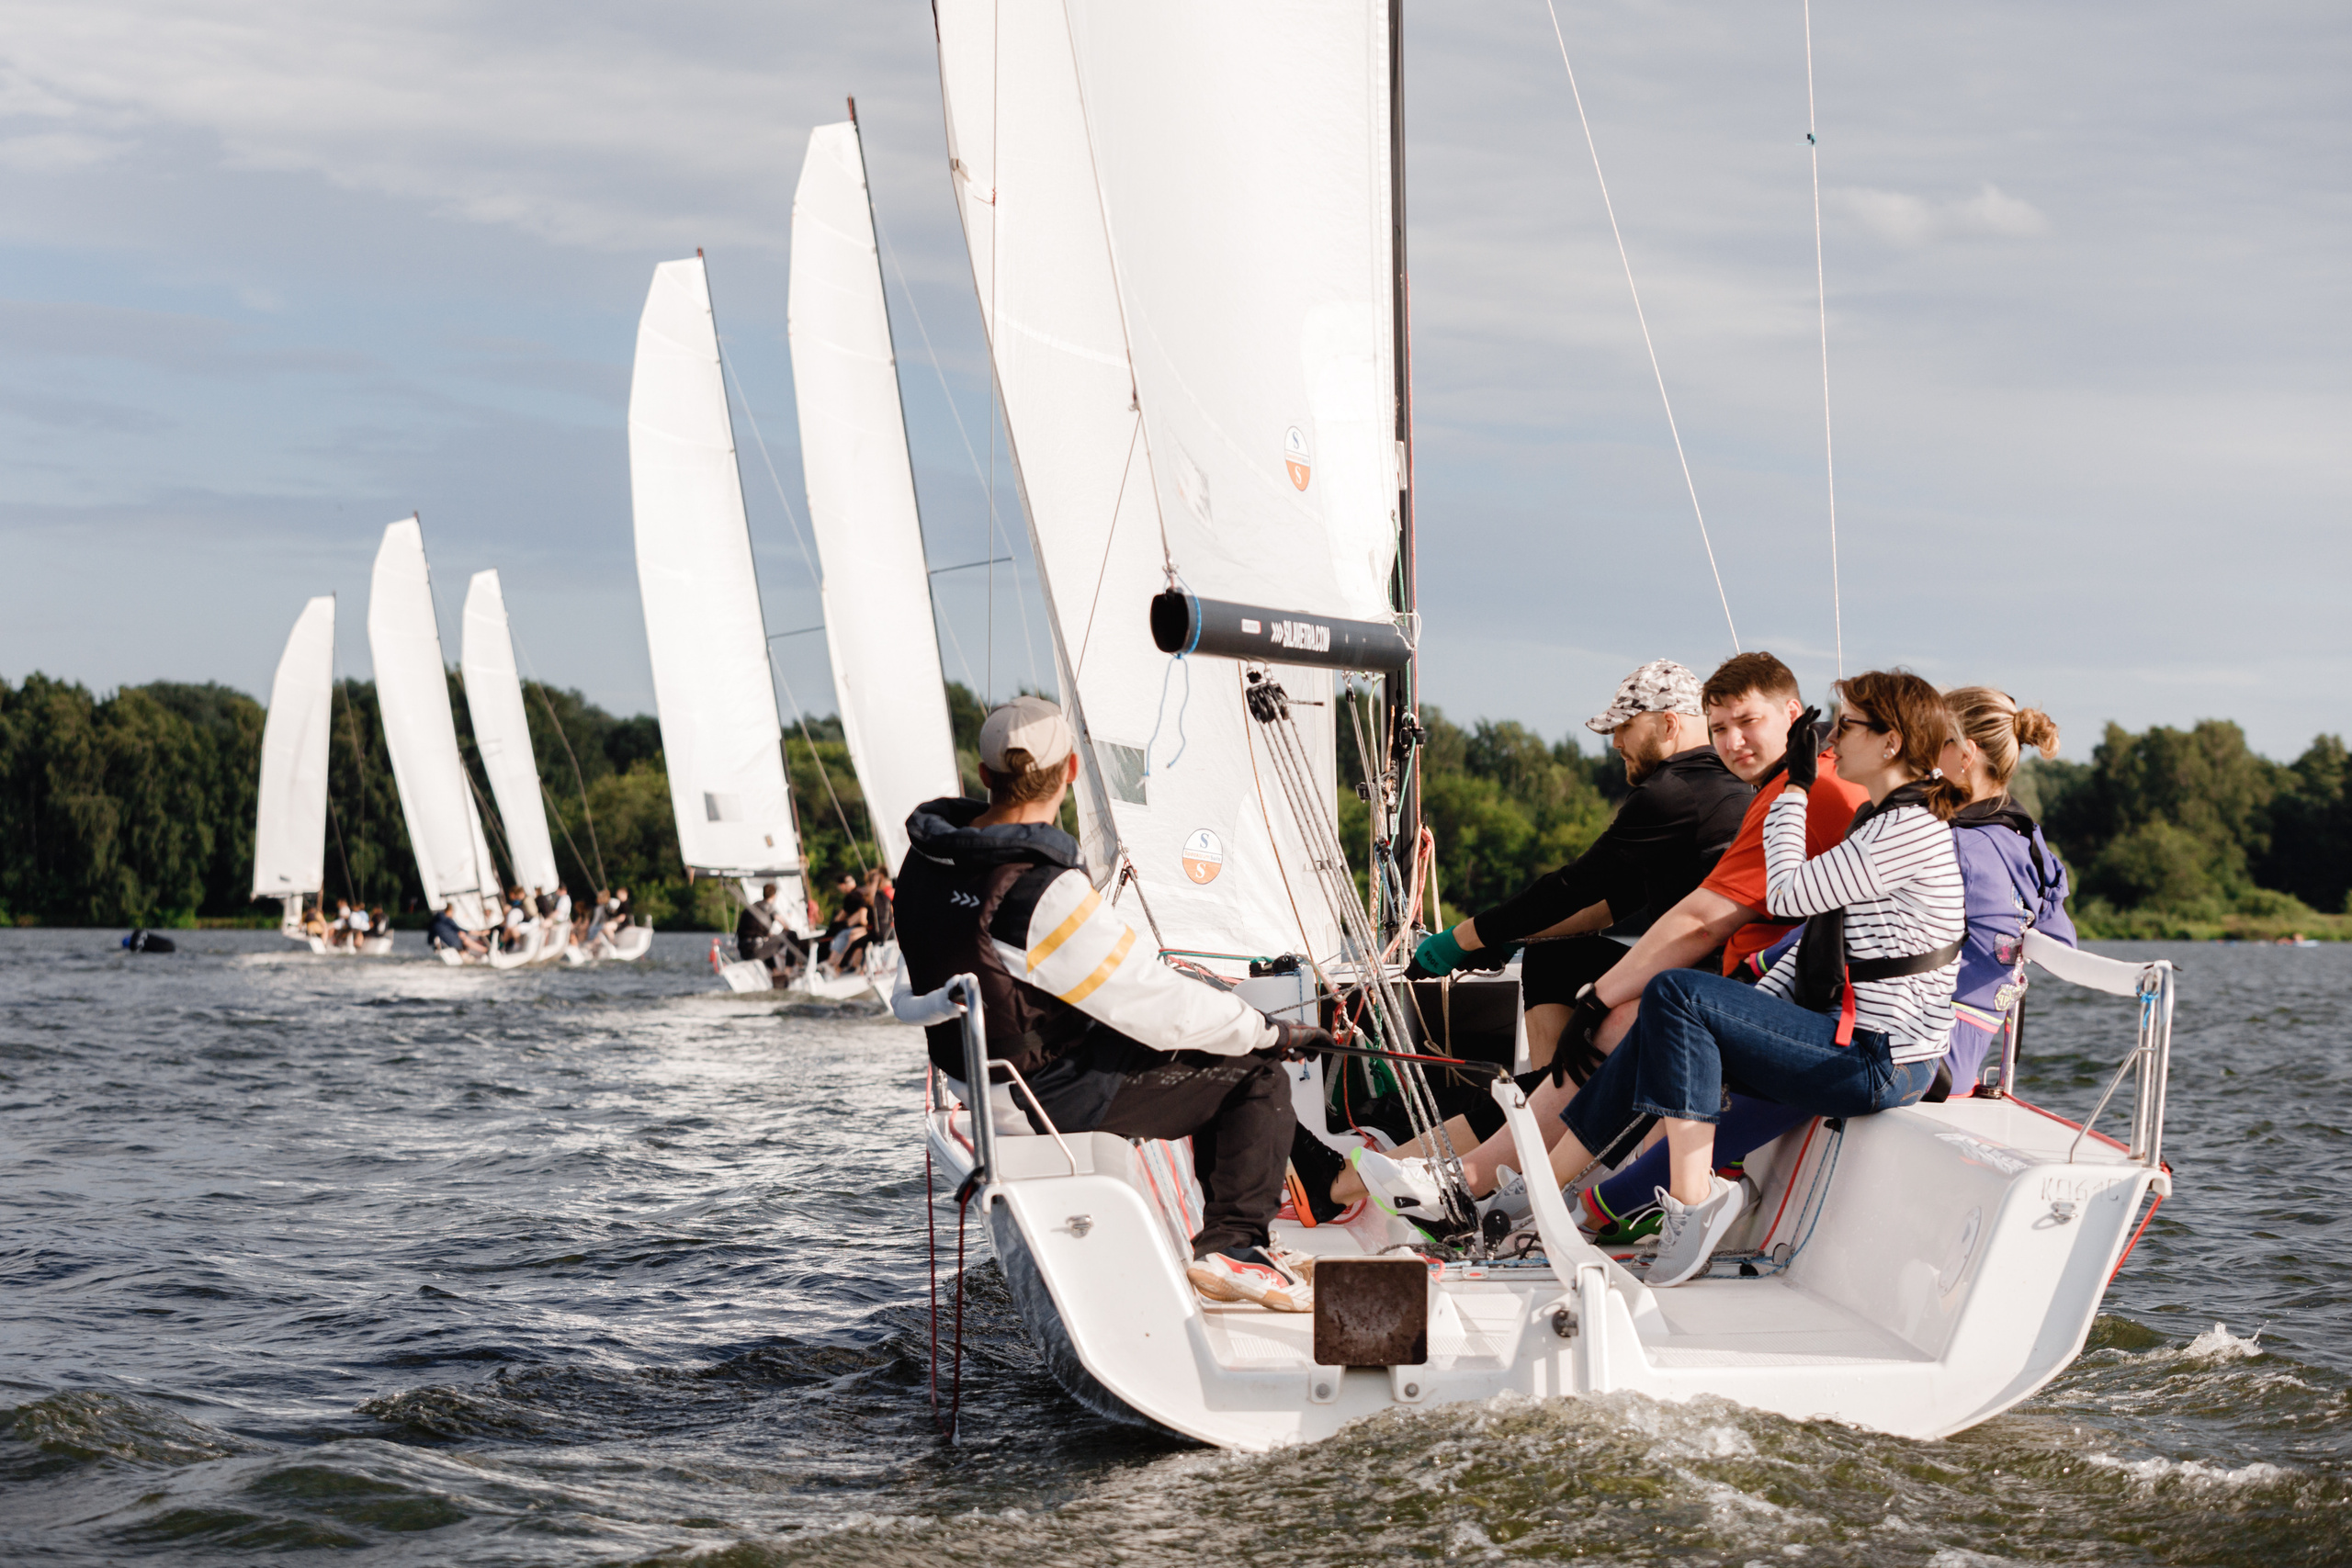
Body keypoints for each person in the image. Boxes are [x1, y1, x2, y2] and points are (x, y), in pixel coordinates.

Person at [1348, 651, 1870, 1218]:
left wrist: (1474, 945)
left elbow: (1624, 900)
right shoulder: (1766, 788)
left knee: (1630, 1017)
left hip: (1779, 996)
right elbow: (1612, 906)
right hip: (1772, 983)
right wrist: (1518, 944)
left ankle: (1493, 1178)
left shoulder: (1722, 792)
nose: (1616, 743)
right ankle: (1518, 1176)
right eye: (1721, 728)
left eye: (1624, 727)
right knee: (1587, 990)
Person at [896, 695, 1330, 1313]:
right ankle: (1235, 1245)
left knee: (1216, 1038)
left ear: (985, 774)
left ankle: (1240, 1243)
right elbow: (1158, 1005)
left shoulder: (928, 861)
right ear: (1072, 769)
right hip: (1042, 1094)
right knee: (1254, 1076)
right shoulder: (1043, 890)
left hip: (980, 1082)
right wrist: (1268, 1032)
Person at [1535, 670, 1965, 1286]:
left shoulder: (1905, 831)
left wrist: (1795, 785)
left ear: (1891, 741)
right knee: (1671, 1009)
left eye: (1845, 724)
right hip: (1862, 1046)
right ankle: (1544, 1189)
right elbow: (1819, 941)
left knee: (1675, 991)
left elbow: (1788, 895)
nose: (1829, 735)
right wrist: (1735, 1013)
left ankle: (1692, 1202)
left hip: (1878, 1061)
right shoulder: (1883, 821)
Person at [1936, 687, 2076, 1096]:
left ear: (1965, 755)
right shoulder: (2027, 841)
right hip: (1965, 1060)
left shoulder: (1949, 845)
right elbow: (2060, 942)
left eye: (1932, 740)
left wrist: (1757, 963)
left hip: (1922, 1056)